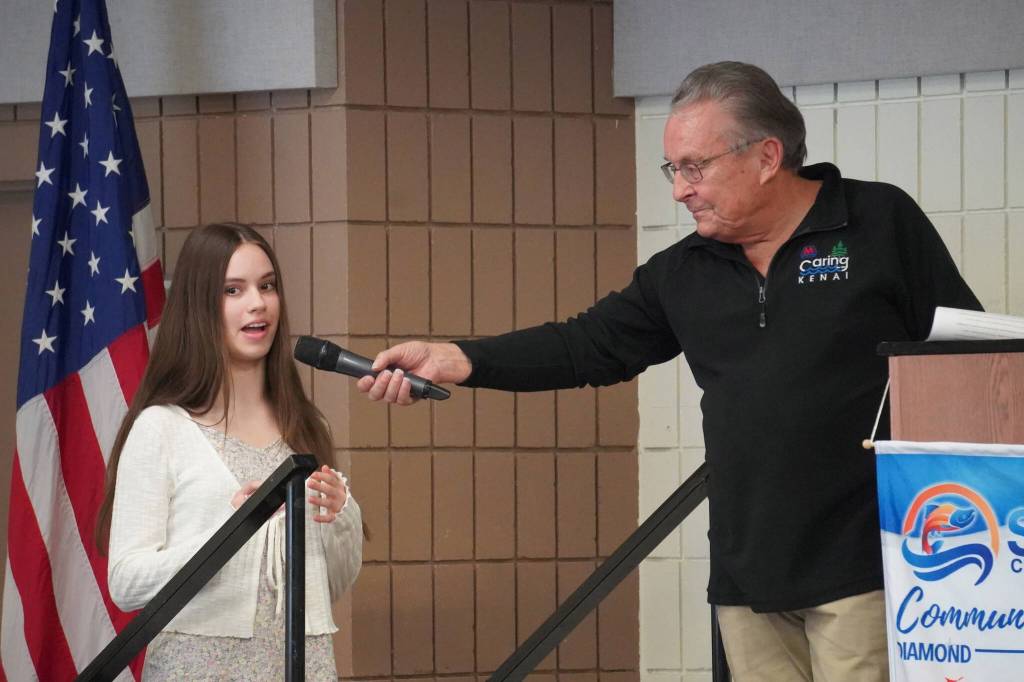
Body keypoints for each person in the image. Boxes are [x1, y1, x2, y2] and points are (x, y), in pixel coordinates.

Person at [356, 62, 982, 681]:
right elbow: (587, 346)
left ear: (766, 156)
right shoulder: (683, 271)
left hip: (874, 561)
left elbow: (974, 358)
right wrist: (459, 359)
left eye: (695, 167)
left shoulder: (878, 222)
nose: (680, 189)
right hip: (747, 576)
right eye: (672, 170)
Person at [95, 223, 362, 681]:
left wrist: (340, 516)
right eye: (233, 290)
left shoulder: (308, 426)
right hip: (198, 669)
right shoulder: (161, 428)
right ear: (200, 306)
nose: (257, 303)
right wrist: (229, 533)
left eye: (267, 286)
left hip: (307, 667)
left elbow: (332, 584)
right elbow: (126, 582)